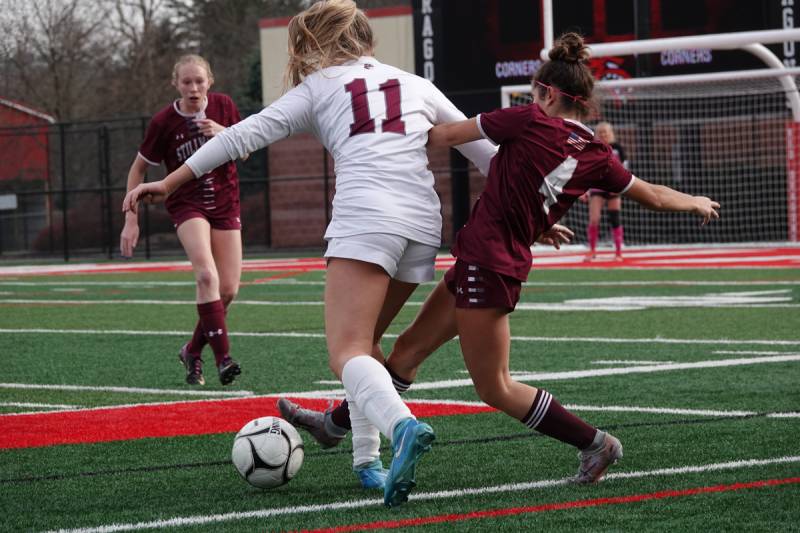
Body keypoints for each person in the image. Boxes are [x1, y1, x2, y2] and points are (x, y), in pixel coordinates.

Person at [279, 32, 720, 485]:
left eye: (533, 92)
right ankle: (334, 426)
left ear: (546, 93)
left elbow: (444, 134)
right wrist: (693, 201)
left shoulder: (528, 119)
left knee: (496, 387)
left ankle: (596, 444)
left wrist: (383, 125)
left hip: (489, 268)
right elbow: (652, 195)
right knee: (406, 353)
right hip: (485, 262)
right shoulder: (597, 154)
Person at [122, 0, 499, 508]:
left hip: (367, 216)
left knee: (345, 353)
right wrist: (538, 209)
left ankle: (403, 428)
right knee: (367, 348)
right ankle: (368, 462)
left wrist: (169, 181)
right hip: (422, 224)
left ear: (317, 44)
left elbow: (240, 136)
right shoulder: (415, 83)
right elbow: (487, 151)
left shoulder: (319, 86)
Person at [119, 54, 243, 387]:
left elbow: (245, 149)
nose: (193, 88)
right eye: (186, 82)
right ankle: (223, 359)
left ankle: (191, 350)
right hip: (187, 205)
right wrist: (131, 220)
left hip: (226, 203)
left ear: (210, 81)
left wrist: (223, 132)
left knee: (228, 289)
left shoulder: (224, 106)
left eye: (199, 81)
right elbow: (138, 169)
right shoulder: (164, 123)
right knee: (206, 275)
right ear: (176, 84)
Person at [584, 121, 628, 261]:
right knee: (594, 218)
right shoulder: (593, 148)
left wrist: (620, 186)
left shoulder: (618, 148)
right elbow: (586, 169)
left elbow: (625, 168)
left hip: (614, 187)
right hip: (597, 186)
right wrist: (584, 189)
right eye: (600, 132)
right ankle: (592, 250)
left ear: (611, 133)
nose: (603, 135)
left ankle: (618, 252)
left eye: (606, 132)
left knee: (615, 218)